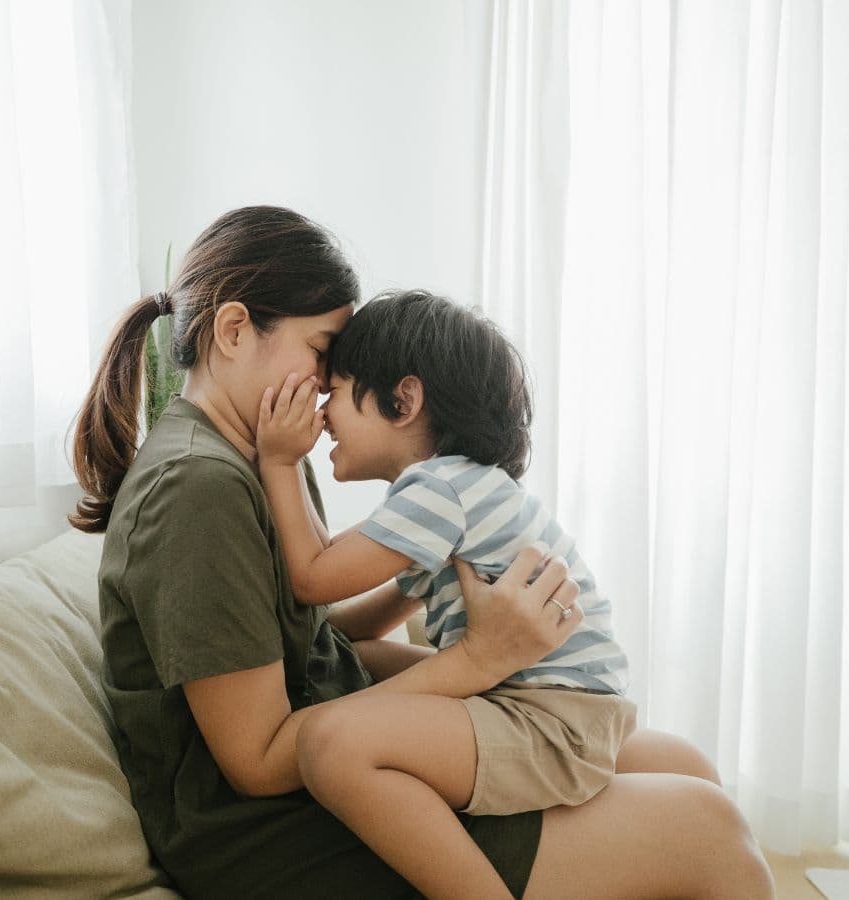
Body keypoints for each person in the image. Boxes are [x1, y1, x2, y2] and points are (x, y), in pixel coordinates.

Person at [71, 205, 775, 899]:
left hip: (341, 746)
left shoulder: (259, 456)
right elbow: (255, 761)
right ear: (233, 329)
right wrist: (477, 660)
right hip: (274, 828)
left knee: (682, 763)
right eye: (323, 353)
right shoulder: (199, 488)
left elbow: (292, 638)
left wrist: (425, 574)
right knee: (712, 833)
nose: (325, 387)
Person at [256, 289, 640, 896]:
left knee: (332, 749)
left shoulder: (437, 492)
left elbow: (311, 578)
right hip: (567, 704)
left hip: (550, 717)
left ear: (403, 400)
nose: (323, 413)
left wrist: (277, 463)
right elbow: (350, 625)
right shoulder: (457, 490)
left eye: (336, 392)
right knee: (365, 661)